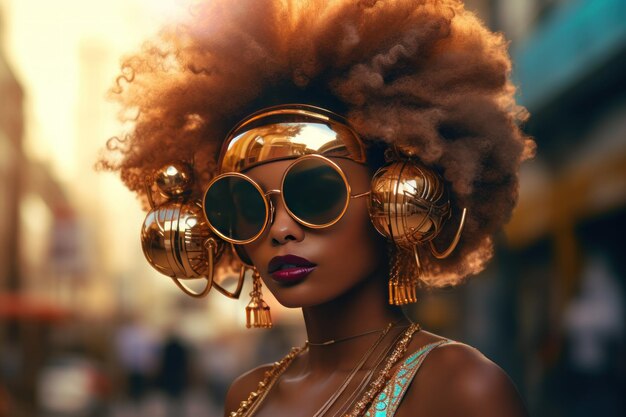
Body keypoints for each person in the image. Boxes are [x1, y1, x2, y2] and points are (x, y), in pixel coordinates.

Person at [100, 1, 536, 416]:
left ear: (395, 195)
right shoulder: (248, 395)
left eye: (315, 195)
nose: (280, 230)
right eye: (248, 208)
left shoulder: (460, 388)